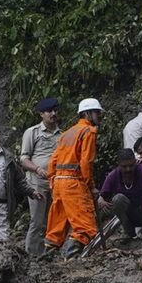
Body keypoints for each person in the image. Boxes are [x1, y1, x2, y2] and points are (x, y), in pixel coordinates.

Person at [45, 98, 103, 257]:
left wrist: (53, 178)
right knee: (85, 226)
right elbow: (86, 162)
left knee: (56, 227)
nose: (99, 116)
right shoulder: (88, 132)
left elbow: (53, 160)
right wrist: (90, 185)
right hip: (74, 183)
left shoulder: (67, 133)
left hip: (59, 182)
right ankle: (70, 258)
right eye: (97, 113)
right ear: (87, 113)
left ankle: (46, 261)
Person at [20, 99, 62, 257]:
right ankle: (31, 254)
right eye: (49, 111)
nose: (53, 113)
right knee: (37, 221)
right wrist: (37, 169)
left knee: (54, 220)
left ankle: (48, 252)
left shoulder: (62, 134)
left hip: (56, 183)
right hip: (37, 183)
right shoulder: (33, 132)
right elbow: (23, 159)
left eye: (55, 110)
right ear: (41, 114)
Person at [98, 149, 142, 239]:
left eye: (131, 165)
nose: (128, 169)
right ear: (119, 164)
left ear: (135, 161)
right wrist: (101, 201)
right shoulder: (113, 175)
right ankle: (128, 232)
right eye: (124, 167)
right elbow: (101, 196)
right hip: (129, 215)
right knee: (117, 199)